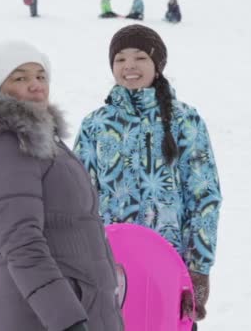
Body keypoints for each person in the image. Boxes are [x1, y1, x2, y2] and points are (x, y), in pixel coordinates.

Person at [0, 40, 124, 331]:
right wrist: (68, 321)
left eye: (40, 76)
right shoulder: (1, 145)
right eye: (20, 78)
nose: (36, 85)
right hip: (41, 316)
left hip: (75, 306)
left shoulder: (39, 140)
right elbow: (21, 242)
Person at [74, 24, 222, 328]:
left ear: (158, 64)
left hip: (168, 263)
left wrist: (198, 268)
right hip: (109, 264)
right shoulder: (95, 124)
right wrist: (78, 262)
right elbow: (78, 198)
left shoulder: (185, 119)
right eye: (120, 59)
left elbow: (204, 197)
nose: (129, 66)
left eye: (140, 57)